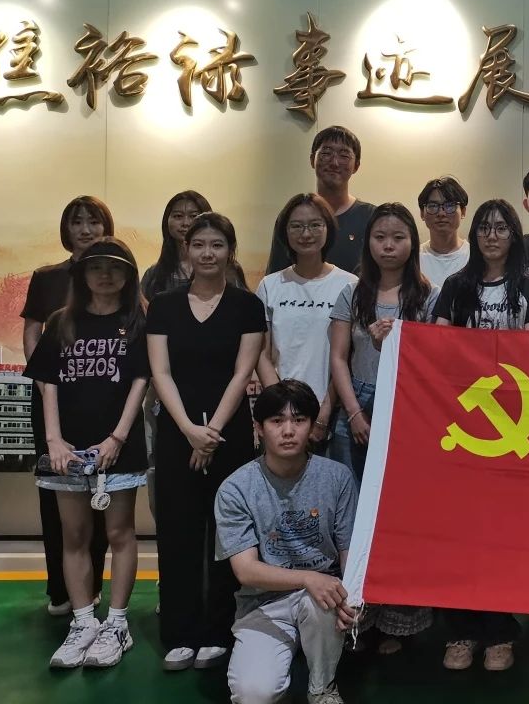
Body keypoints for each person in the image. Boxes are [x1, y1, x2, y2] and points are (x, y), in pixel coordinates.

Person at [432, 199, 529, 670]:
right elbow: (436, 344)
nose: (492, 236)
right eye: (484, 227)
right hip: (463, 428)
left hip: (514, 424)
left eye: (502, 228)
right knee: (458, 531)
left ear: (514, 235)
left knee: (503, 534)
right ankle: (460, 630)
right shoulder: (455, 286)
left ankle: (501, 631)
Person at [147, 212, 266, 671]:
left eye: (217, 244)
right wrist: (189, 430)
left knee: (227, 532)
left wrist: (210, 432)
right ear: (186, 250)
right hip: (177, 434)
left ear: (230, 251)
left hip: (229, 434)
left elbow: (243, 372)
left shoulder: (246, 306)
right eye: (199, 244)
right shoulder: (164, 305)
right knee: (177, 531)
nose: (208, 253)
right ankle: (180, 632)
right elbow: (160, 373)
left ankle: (219, 630)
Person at [27, 238, 149, 669]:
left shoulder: (138, 322)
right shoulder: (61, 321)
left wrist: (117, 439)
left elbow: (141, 381)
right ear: (81, 274)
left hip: (119, 448)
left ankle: (117, 623)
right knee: (74, 535)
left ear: (129, 276)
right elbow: (48, 383)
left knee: (119, 534)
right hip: (69, 450)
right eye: (95, 267)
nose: (105, 275)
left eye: (114, 268)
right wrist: (54, 441)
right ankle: (82, 623)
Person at [328, 203, 438, 653]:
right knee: (354, 516)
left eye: (398, 237)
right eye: (380, 237)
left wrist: (390, 347)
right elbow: (338, 358)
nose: (388, 246)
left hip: (409, 408)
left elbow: (435, 361)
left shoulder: (429, 296)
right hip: (357, 404)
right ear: (367, 243)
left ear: (412, 242)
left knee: (401, 515)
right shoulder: (351, 294)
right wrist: (354, 413)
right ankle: (358, 614)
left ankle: (400, 619)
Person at [216, 380, 358, 704]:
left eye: (299, 420)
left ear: (312, 426)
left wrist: (354, 599)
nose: (289, 430)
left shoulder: (337, 477)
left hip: (323, 597)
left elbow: (348, 549)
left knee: (325, 597)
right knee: (253, 695)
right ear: (259, 428)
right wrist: (307, 577)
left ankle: (322, 687)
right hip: (263, 603)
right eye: (277, 421)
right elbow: (246, 571)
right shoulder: (236, 489)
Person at [22, 195, 114, 617]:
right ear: (67, 229)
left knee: (100, 491)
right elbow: (33, 332)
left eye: (94, 221)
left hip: (101, 399)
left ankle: (91, 586)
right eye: (77, 222)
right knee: (54, 491)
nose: (86, 230)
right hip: (51, 397)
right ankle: (59, 589)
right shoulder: (47, 277)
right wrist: (43, 382)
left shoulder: (115, 274)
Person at [256, 194, 357, 447]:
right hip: (281, 417)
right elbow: (262, 354)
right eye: (296, 226)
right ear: (285, 231)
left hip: (334, 413)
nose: (306, 233)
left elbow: (347, 357)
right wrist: (284, 410)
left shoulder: (349, 285)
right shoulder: (270, 285)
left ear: (328, 228)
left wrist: (323, 414)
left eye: (315, 225)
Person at [266, 127, 374, 274]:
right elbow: (276, 275)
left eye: (344, 155)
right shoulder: (292, 216)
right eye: (326, 153)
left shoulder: (371, 217)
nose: (334, 162)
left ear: (356, 166)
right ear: (312, 160)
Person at [141, 191, 212, 301]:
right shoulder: (153, 275)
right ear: (167, 220)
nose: (186, 223)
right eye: (178, 216)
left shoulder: (221, 270)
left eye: (193, 216)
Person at [417, 176, 471, 287]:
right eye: (433, 206)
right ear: (422, 213)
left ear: (463, 211)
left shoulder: (474, 256)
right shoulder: (413, 258)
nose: (441, 213)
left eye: (450, 205)